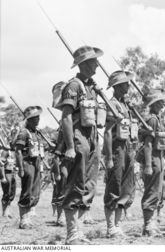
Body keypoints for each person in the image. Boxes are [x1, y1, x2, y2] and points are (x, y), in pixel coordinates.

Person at [58, 45, 103, 244]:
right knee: (76, 184)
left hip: (92, 138)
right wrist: (69, 146)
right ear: (84, 64)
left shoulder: (91, 87)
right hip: (78, 139)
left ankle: (80, 230)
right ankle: (71, 233)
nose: (97, 65)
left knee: (89, 184)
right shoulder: (74, 86)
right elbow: (66, 117)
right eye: (94, 61)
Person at [103, 70, 138, 238]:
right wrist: (109, 157)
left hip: (129, 149)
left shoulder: (126, 106)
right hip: (117, 150)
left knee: (126, 188)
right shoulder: (112, 105)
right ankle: (110, 227)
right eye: (125, 84)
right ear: (117, 87)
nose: (128, 86)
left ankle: (117, 225)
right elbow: (108, 133)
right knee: (114, 186)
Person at [140, 89, 165, 236]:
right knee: (151, 192)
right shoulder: (152, 120)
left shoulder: (159, 120)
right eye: (160, 101)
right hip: (153, 159)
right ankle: (148, 225)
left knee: (157, 192)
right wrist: (148, 165)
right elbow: (148, 144)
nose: (163, 103)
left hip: (160, 159)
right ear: (154, 104)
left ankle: (152, 223)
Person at [15, 106, 45, 229]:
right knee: (27, 191)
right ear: (29, 119)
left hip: (37, 163)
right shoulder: (24, 132)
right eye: (35, 117)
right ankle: (24, 220)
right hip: (28, 163)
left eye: (38, 117)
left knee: (35, 191)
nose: (38, 119)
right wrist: (21, 168)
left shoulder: (36, 132)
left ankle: (28, 217)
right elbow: (18, 151)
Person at [0, 146, 16, 218]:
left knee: (12, 193)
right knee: (7, 192)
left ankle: (8, 211)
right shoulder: (5, 152)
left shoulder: (13, 152)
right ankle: (4, 212)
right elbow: (1, 165)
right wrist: (3, 177)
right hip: (7, 173)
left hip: (13, 174)